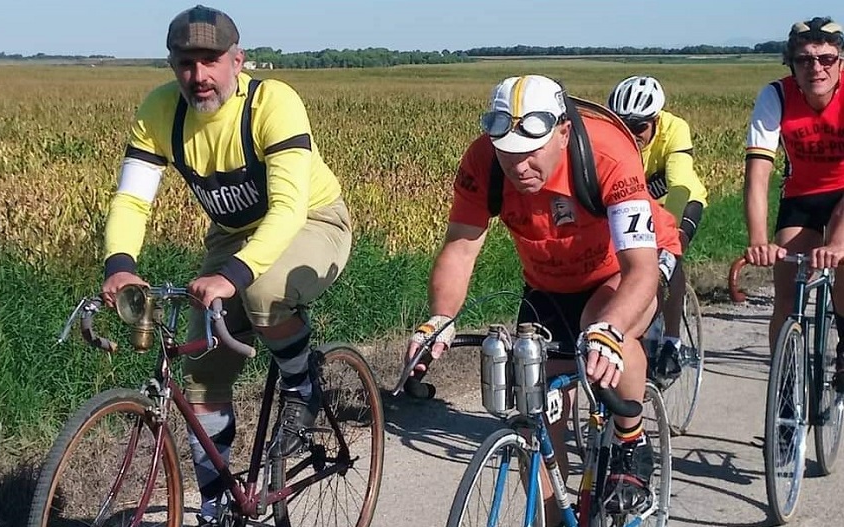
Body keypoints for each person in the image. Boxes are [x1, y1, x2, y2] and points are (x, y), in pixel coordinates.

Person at [98, 5, 353, 525]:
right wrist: (120, 265)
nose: (199, 76)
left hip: (312, 221)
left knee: (261, 293)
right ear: (172, 66)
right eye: (186, 63)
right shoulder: (161, 112)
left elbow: (285, 210)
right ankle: (215, 506)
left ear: (238, 61)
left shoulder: (271, 103)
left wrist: (233, 276)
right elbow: (132, 201)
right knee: (202, 372)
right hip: (232, 236)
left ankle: (302, 384)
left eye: (211, 60)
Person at [405, 74, 683, 523]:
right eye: (508, 154)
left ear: (563, 133)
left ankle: (632, 443)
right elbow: (460, 246)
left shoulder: (607, 151)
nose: (519, 167)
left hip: (615, 275)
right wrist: (439, 318)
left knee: (602, 329)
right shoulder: (484, 161)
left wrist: (611, 332)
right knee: (537, 424)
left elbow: (640, 269)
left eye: (531, 153)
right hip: (546, 285)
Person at [743, 16, 844, 391]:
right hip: (801, 196)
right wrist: (757, 239)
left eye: (827, 59)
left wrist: (837, 243)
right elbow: (757, 174)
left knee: (841, 262)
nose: (816, 67)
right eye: (804, 60)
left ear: (840, 61)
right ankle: (785, 390)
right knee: (786, 295)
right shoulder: (776, 96)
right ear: (791, 64)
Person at [607, 75, 709, 384]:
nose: (631, 134)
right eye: (624, 126)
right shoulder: (614, 135)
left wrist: (669, 237)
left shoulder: (674, 129)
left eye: (639, 127)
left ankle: (672, 343)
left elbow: (678, 185)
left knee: (669, 254)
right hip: (636, 207)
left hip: (679, 201)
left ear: (655, 119)